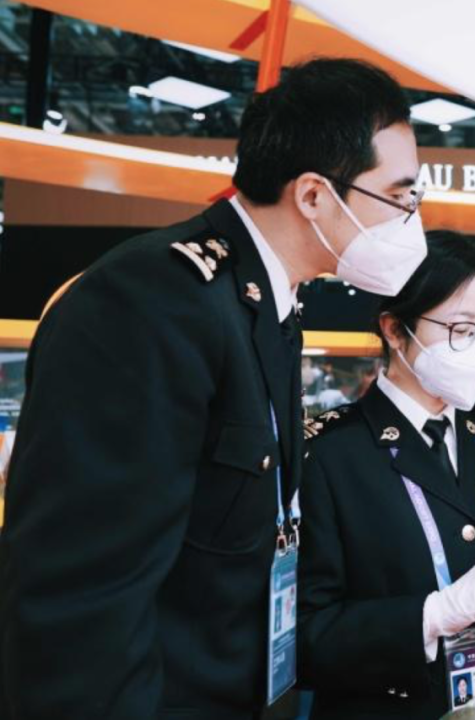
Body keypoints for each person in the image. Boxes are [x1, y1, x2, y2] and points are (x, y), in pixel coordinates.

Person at [0, 58, 427, 719]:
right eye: (400, 197)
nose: (409, 219)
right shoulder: (155, 302)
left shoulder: (266, 304)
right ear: (314, 196)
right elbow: (82, 602)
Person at [299, 231, 475, 719]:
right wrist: (433, 614)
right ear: (394, 329)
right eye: (460, 328)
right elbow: (305, 637)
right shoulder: (329, 454)